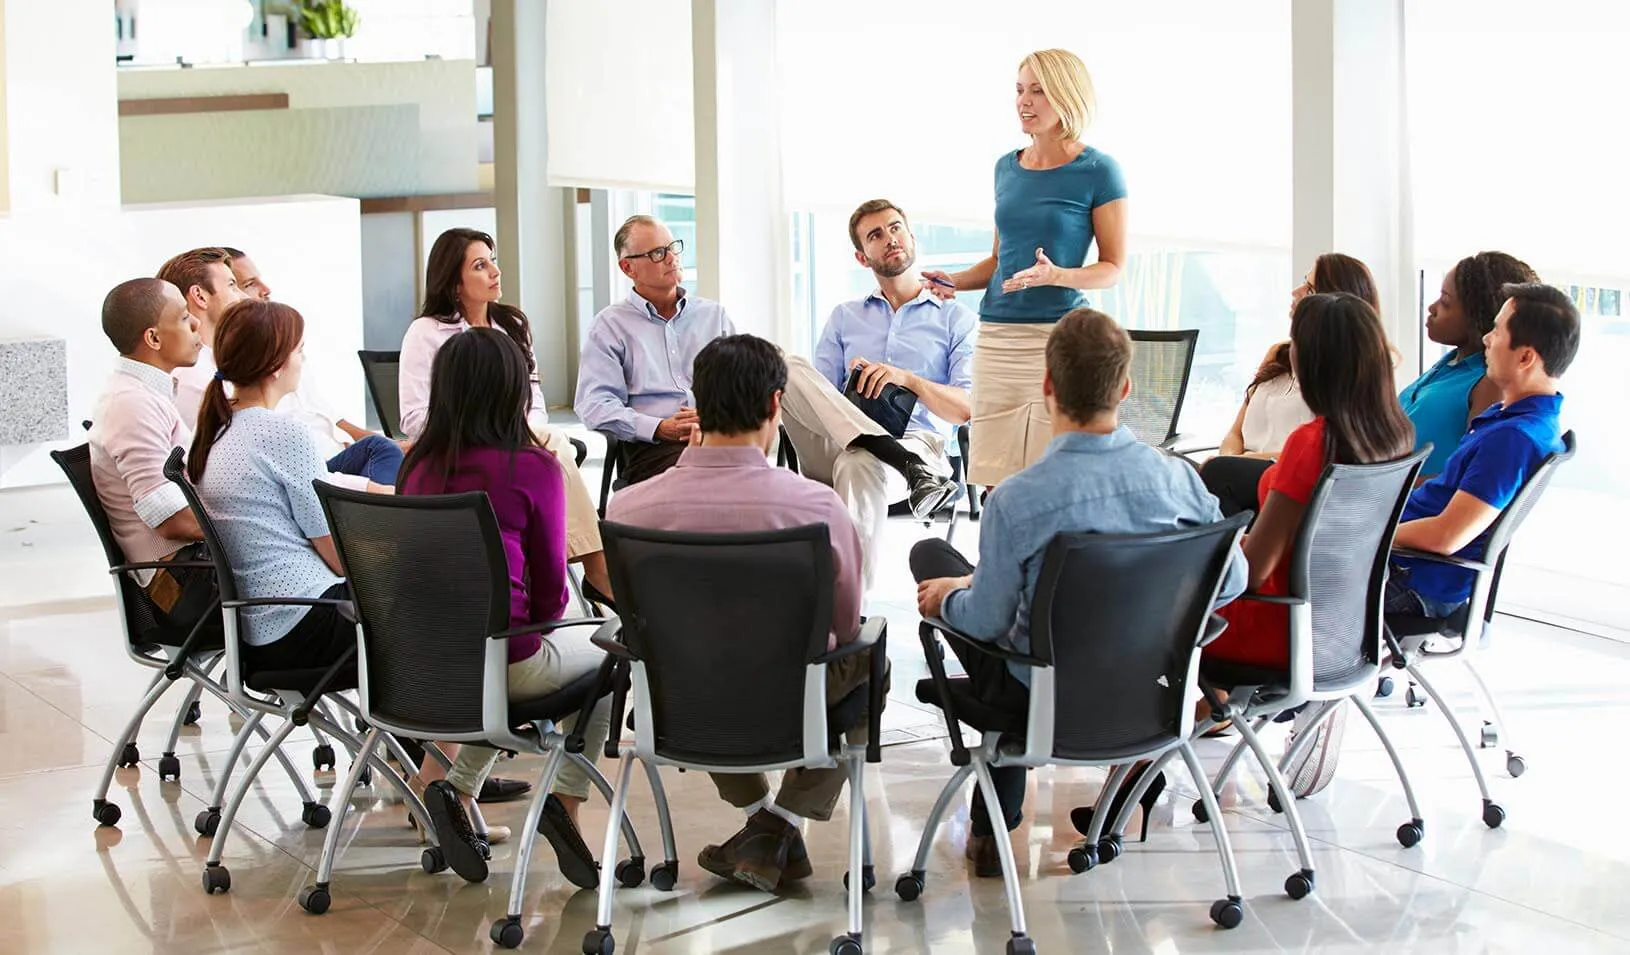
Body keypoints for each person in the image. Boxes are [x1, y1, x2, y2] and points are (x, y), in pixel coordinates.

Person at [912, 308, 1245, 877]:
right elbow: (1233, 580)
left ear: (1048, 386)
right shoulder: (1179, 480)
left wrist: (948, 597)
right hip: (1150, 691)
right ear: (1126, 388)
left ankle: (995, 825)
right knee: (997, 602)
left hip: (1045, 699)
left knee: (932, 560)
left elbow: (988, 622)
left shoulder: (1017, 499)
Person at [607, 334, 884, 894]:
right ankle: (780, 824)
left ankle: (762, 824)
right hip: (793, 703)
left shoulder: (629, 508)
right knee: (869, 656)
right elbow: (846, 626)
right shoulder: (816, 507)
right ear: (776, 404)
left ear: (695, 404)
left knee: (692, 651)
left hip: (681, 704)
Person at [398, 328, 611, 888]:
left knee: (493, 673)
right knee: (613, 653)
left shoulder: (416, 468)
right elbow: (551, 600)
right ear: (514, 390)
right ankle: (566, 803)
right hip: (504, 663)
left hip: (423, 669)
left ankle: (454, 788)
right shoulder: (534, 467)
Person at [1199, 293, 1417, 797]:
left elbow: (1254, 570)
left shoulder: (1311, 443)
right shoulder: (1393, 434)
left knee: (1151, 613)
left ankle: (1133, 750)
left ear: (1311, 358)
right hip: (1342, 628)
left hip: (1276, 627)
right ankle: (1198, 720)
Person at [923, 48, 1127, 487]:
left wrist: (1057, 276)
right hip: (997, 338)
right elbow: (1001, 260)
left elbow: (1112, 267)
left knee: (1044, 475)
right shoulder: (1006, 168)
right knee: (994, 480)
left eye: (1038, 91)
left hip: (1055, 338)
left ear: (1066, 95)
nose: (1024, 102)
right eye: (1019, 90)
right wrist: (956, 280)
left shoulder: (1099, 171)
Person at [400, 227, 614, 601]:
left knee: (549, 443)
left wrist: (520, 433)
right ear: (453, 282)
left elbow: (535, 401)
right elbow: (414, 418)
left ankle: (577, 570)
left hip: (519, 437)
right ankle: (597, 569)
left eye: (493, 261)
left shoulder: (513, 325)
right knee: (554, 448)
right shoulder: (427, 332)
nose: (495, 272)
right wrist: (483, 427)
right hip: (461, 443)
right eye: (480, 266)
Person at [790, 199, 976, 585]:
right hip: (837, 441)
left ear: (912, 237)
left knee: (860, 463)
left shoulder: (956, 319)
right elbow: (815, 397)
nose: (890, 239)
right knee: (784, 365)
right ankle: (901, 461)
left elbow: (965, 409)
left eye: (895, 228)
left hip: (918, 443)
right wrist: (850, 389)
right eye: (875, 235)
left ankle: (849, 611)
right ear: (862, 257)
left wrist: (909, 380)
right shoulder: (844, 316)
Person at [1388, 282, 1578, 619]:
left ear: (1525, 357)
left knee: (1292, 571)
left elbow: (1447, 536)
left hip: (1412, 580)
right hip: (1406, 564)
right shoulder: (1519, 419)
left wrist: (1371, 535)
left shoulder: (1513, 438)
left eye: (1497, 331)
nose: (1487, 339)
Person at [1202, 253, 1382, 517]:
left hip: (1287, 481)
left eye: (1309, 288)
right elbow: (1235, 433)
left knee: (1212, 478)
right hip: (1236, 476)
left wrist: (1234, 463)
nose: (1295, 292)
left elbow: (1321, 453)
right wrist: (1227, 458)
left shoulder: (1346, 375)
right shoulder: (1279, 353)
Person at [87, 278, 215, 631]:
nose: (197, 324)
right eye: (185, 317)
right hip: (184, 585)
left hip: (197, 566)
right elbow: (172, 521)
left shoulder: (144, 393)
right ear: (154, 338)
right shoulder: (132, 404)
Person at [221, 246, 403, 486]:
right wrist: (374, 489)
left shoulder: (284, 359)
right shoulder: (270, 419)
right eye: (247, 284)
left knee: (387, 451)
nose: (266, 289)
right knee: (388, 459)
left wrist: (386, 445)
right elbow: (306, 486)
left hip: (332, 457)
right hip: (318, 473)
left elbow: (326, 415)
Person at [574, 215, 734, 484]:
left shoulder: (714, 316)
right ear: (628, 268)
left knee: (756, 477)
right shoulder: (609, 326)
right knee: (710, 477)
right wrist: (658, 427)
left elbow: (741, 384)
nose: (672, 258)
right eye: (658, 253)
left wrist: (716, 417)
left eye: (672, 248)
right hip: (654, 449)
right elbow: (594, 404)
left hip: (719, 437)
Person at [1400, 251, 1539, 478]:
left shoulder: (1490, 383)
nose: (1432, 308)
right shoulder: (1451, 363)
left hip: (1405, 496)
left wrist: (1390, 487)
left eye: (1446, 302)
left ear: (1480, 317)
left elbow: (1471, 476)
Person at [160, 248, 248, 430]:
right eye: (232, 285)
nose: (244, 297)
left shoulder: (212, 365)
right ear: (200, 296)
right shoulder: (192, 377)